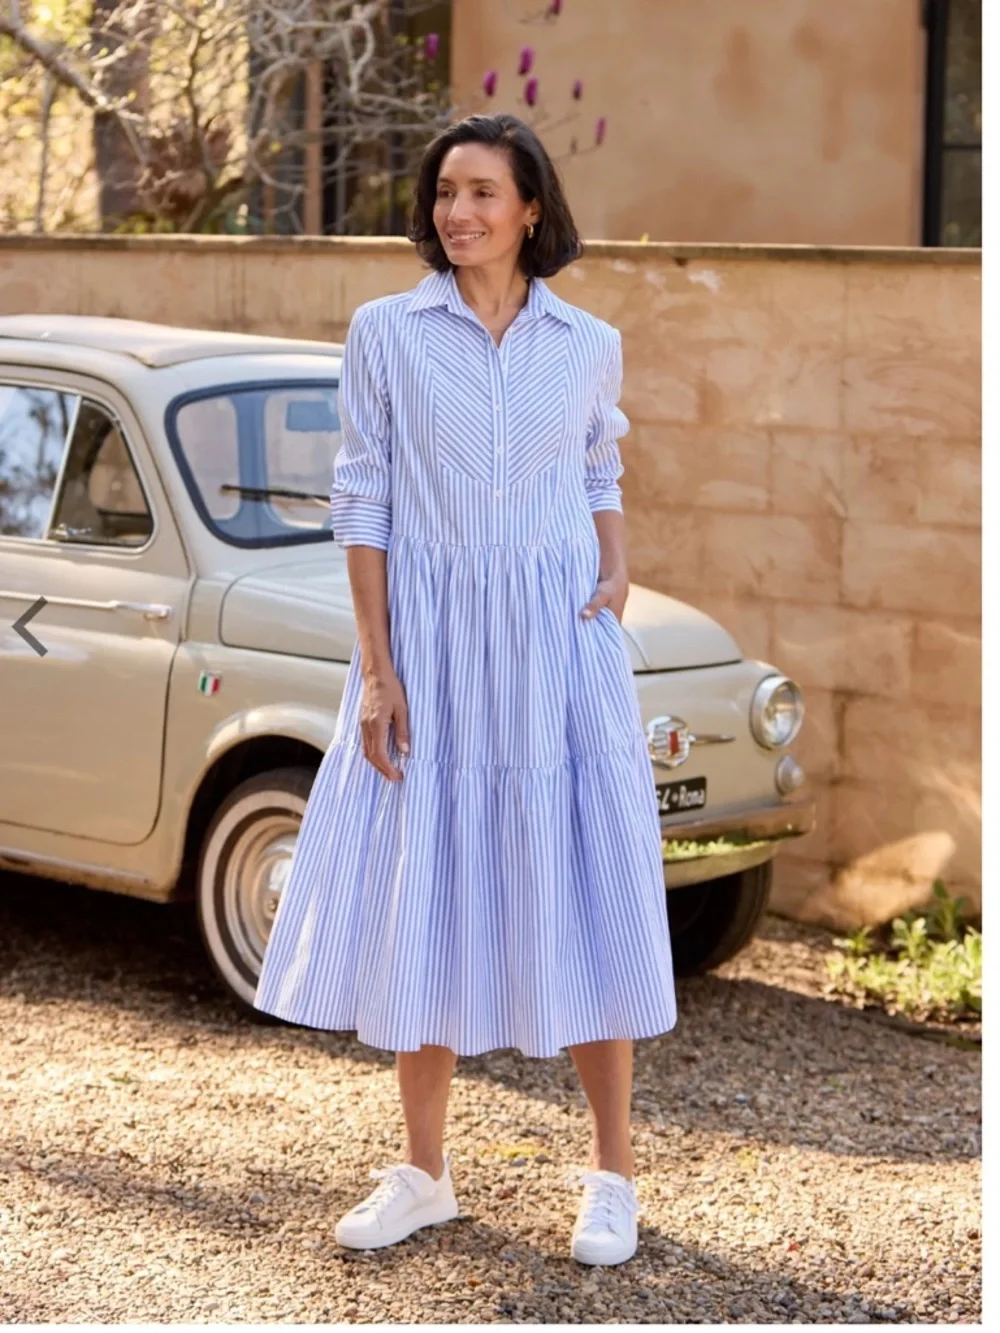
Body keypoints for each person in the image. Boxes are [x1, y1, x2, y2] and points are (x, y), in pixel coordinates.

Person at [253, 112, 677, 1266]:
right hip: (432, 648)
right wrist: (378, 667)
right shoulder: (386, 331)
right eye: (446, 193)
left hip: (555, 649)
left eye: (484, 193)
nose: (459, 213)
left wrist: (618, 553)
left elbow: (600, 461)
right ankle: (424, 1172)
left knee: (585, 888)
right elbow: (363, 500)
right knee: (422, 888)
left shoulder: (586, 341)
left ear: (530, 208)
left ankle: (610, 1175)